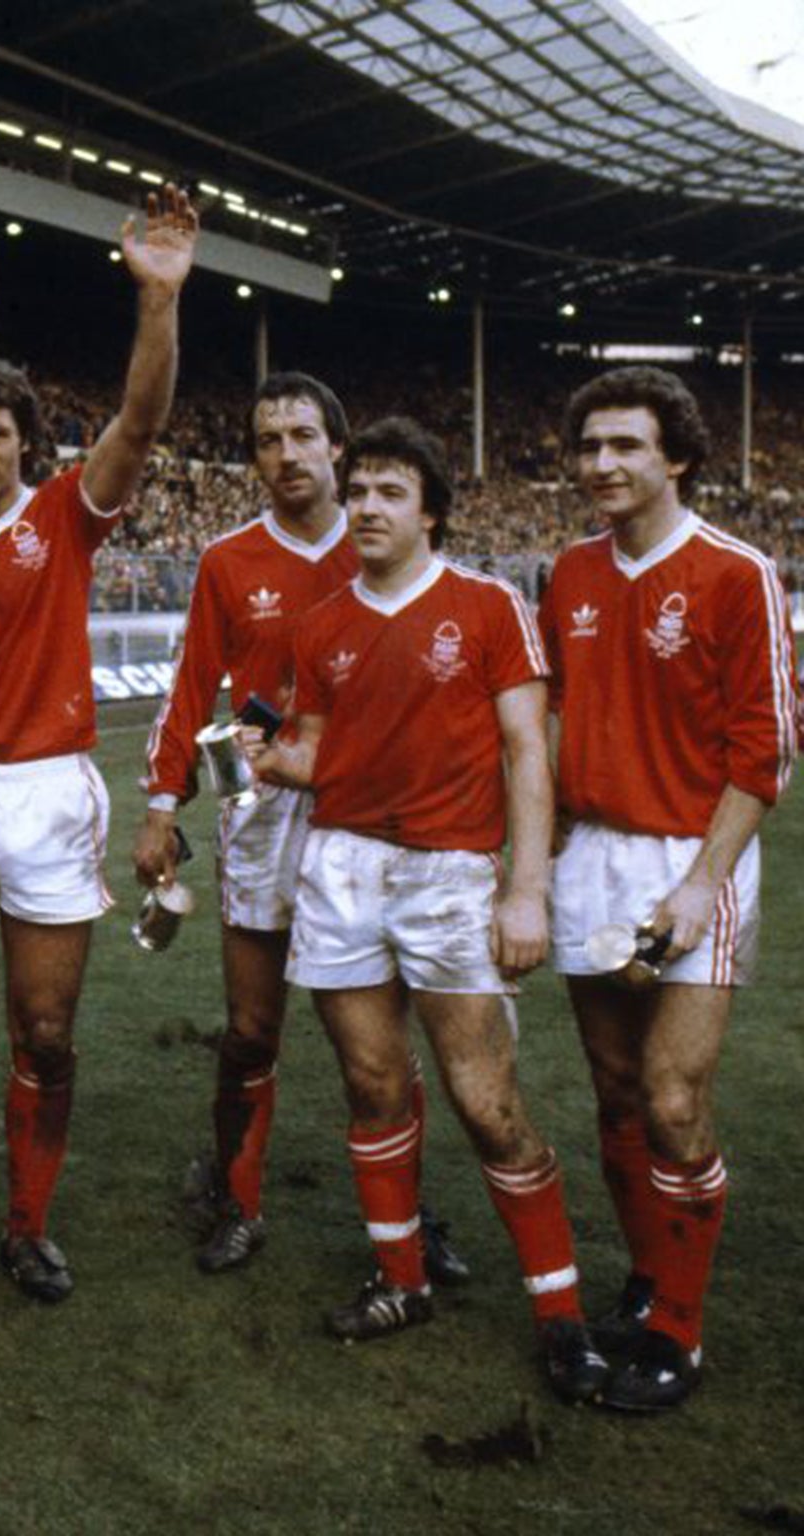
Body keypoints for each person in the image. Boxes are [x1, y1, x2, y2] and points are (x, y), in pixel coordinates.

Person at [245, 418, 608, 1404]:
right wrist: (277, 761)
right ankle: (399, 1281)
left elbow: (525, 753)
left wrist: (522, 886)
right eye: (356, 489)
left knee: (486, 1107)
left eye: (388, 492)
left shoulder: (486, 607)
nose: (363, 506)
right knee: (371, 1087)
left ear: (431, 513)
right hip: (340, 872)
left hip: (450, 876)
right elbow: (318, 747)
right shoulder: (319, 625)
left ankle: (558, 1312)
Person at [0, 187, 195, 1307]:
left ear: (26, 440)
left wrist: (155, 300)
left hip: (49, 794)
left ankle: (24, 1225)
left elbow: (142, 423)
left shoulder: (63, 512)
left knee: (46, 1031)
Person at [133, 375, 468, 1285]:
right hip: (264, 813)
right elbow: (190, 683)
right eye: (267, 438)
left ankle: (414, 1216)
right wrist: (163, 802)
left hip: (369, 814)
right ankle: (238, 1200)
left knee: (383, 1047)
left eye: (302, 435)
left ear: (338, 447)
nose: (285, 453)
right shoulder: (229, 560)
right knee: (250, 1028)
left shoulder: (380, 548)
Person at [539, 367, 794, 1411]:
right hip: (588, 854)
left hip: (691, 855)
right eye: (588, 446)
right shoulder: (564, 573)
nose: (599, 465)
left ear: (675, 456)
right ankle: (646, 1283)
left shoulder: (736, 573)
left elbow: (763, 750)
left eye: (623, 447)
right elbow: (547, 727)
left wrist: (700, 883)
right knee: (613, 1089)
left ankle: (677, 1334)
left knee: (673, 1097)